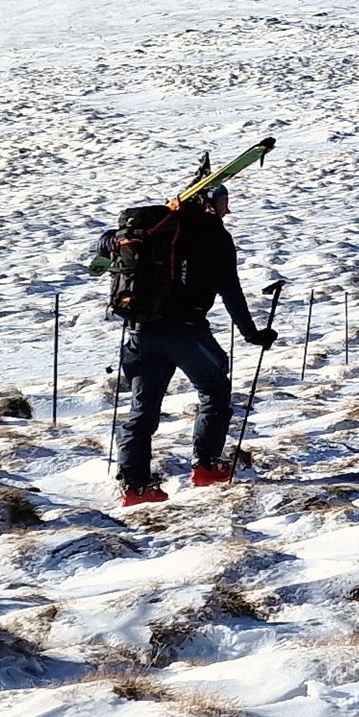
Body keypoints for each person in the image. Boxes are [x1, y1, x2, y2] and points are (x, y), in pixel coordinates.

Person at [112, 184, 275, 504]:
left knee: (142, 412)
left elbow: (107, 246)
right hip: (186, 331)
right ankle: (207, 466)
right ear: (207, 205)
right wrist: (251, 333)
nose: (226, 210)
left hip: (140, 332)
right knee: (214, 387)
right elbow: (230, 289)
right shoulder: (214, 237)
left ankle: (135, 487)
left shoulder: (152, 230)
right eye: (222, 203)